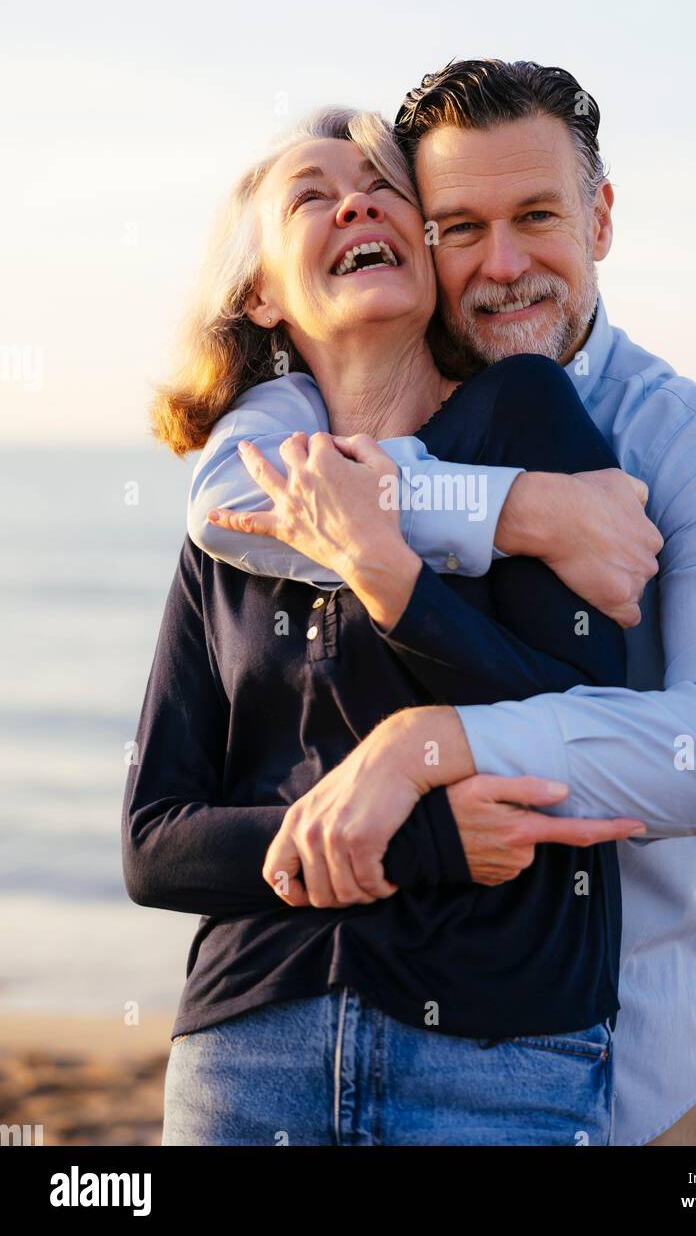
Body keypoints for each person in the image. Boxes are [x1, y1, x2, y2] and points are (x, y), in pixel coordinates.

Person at [192, 59, 696, 1147]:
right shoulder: (363, 390)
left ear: (600, 217)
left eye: (535, 216)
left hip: (626, 1059)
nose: (503, 265)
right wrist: (512, 507)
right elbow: (230, 490)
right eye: (458, 226)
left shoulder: (686, 438)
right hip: (359, 1033)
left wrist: (431, 746)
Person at [123, 106, 651, 1147]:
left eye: (380, 186)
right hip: (248, 1046)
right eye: (311, 195)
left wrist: (388, 573)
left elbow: (589, 727)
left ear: (420, 241)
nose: (354, 200)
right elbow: (155, 844)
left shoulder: (522, 414)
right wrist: (419, 839)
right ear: (263, 293)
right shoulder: (235, 511)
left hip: (498, 1055)